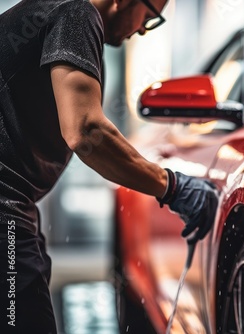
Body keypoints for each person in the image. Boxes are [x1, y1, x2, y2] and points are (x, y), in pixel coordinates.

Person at [0, 0, 218, 332]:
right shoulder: (75, 12)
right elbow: (86, 130)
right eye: (150, 16)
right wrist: (172, 187)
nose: (144, 28)